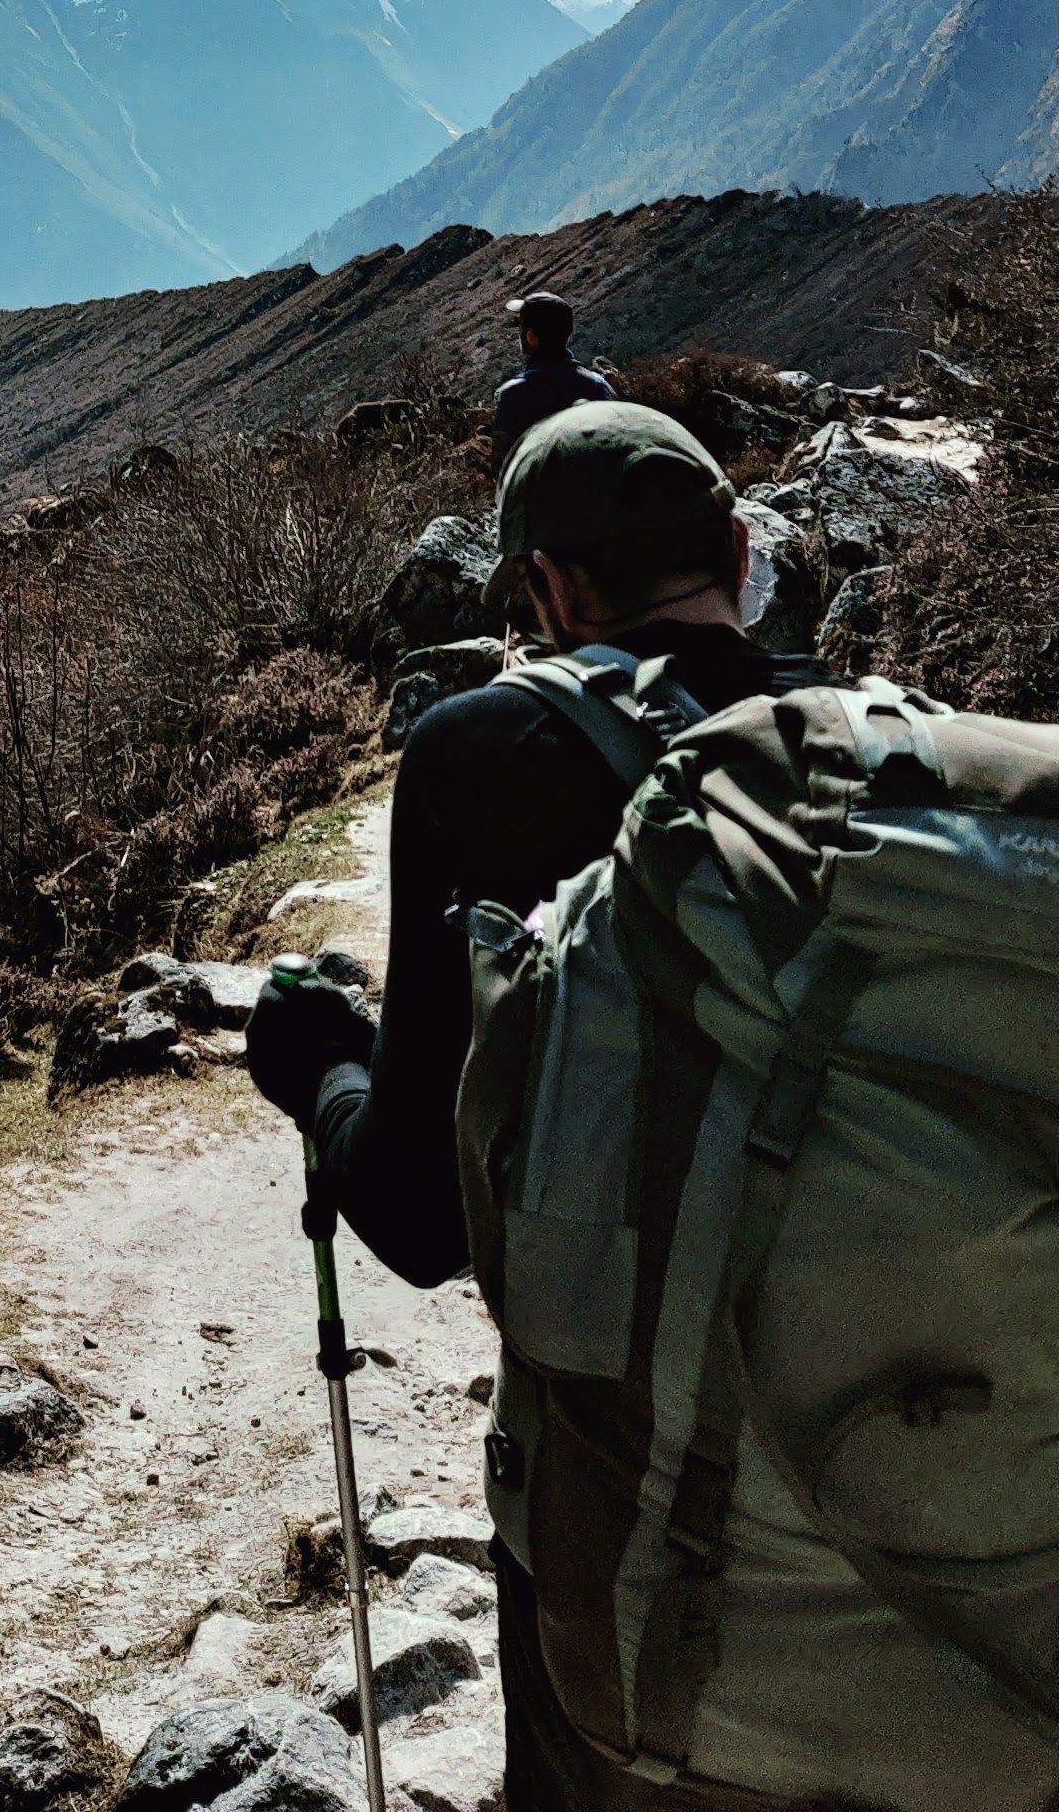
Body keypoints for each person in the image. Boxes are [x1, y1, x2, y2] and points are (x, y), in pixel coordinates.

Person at [247, 399, 822, 1812]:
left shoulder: (479, 754)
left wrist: (319, 1068)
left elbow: (427, 1220)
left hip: (630, 1515)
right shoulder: (886, 763)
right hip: (948, 1497)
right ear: (738, 554)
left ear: (550, 589)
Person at [488, 289, 611, 490]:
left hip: (545, 510)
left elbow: (503, 470)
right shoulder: (598, 385)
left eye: (521, 326)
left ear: (531, 337)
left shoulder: (513, 394)